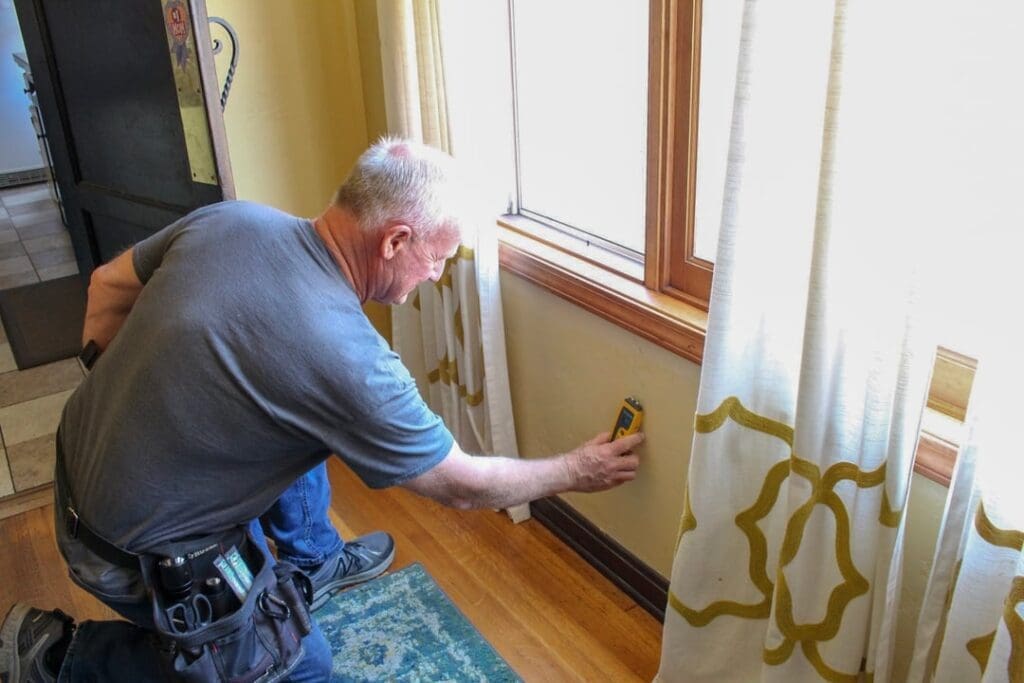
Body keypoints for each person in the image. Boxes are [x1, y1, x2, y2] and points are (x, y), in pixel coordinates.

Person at [0, 138, 643, 682]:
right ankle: (59, 657)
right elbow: (464, 486)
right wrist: (576, 470)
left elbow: (105, 286)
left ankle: (310, 560)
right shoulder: (349, 360)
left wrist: (124, 391)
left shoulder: (233, 220)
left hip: (78, 466)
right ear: (395, 240)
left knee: (296, 416)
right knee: (301, 665)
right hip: (131, 557)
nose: (437, 275)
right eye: (438, 257)